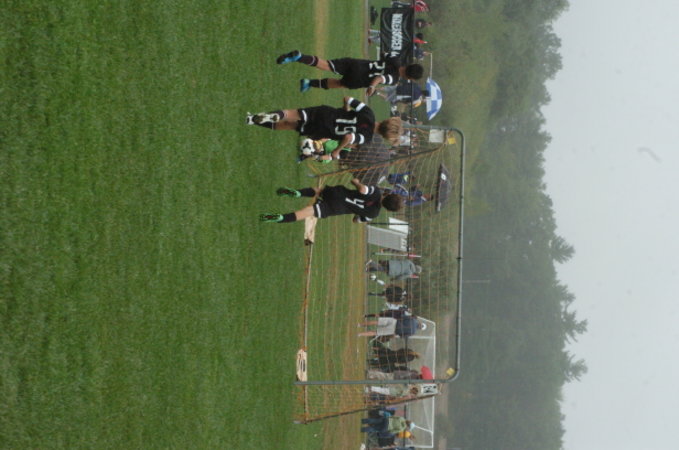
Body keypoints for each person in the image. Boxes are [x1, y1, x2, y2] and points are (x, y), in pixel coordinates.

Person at [247, 96, 404, 151]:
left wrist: (345, 110)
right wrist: (337, 150)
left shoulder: (368, 112)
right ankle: (252, 121)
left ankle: (264, 116)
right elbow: (349, 137)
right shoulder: (367, 138)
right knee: (291, 125)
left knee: (292, 114)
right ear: (385, 136)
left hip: (326, 113)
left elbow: (348, 99)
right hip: (324, 130)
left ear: (387, 120)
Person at [276, 50, 424, 97]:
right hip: (359, 79)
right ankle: (310, 83)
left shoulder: (396, 60)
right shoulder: (394, 79)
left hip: (357, 64)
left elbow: (384, 54)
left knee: (327, 65)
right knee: (339, 84)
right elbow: (380, 78)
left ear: (410, 65)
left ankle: (299, 57)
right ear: (410, 77)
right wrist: (372, 87)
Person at [259, 178, 403, 224]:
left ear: (389, 194)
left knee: (319, 191)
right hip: (337, 208)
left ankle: (297, 193)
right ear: (388, 209)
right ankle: (280, 218)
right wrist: (358, 211)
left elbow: (363, 190)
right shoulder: (373, 214)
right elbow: (356, 220)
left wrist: (356, 182)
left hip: (339, 194)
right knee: (308, 212)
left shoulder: (376, 191)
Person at [359, 309, 426, 338]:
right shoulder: (413, 332)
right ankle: (359, 334)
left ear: (420, 323)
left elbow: (402, 316)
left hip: (394, 321)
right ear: (420, 329)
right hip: (393, 330)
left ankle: (360, 325)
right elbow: (402, 336)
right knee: (375, 332)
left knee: (376, 322)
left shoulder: (413, 319)